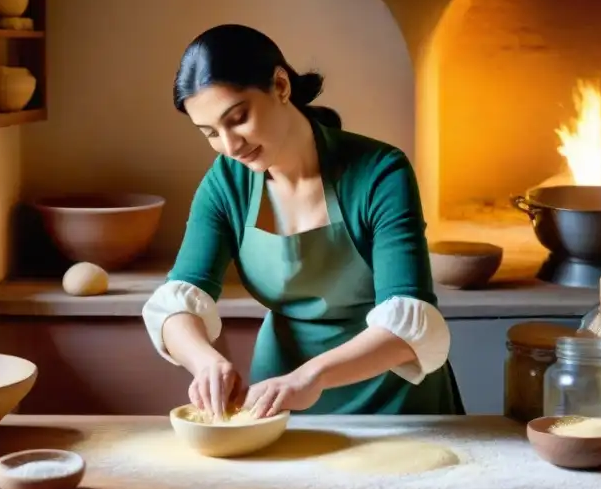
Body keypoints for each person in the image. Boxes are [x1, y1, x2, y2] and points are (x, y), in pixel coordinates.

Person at [141, 24, 463, 420]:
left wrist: (312, 376)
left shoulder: (380, 172)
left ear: (280, 86)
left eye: (238, 118)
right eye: (210, 132)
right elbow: (178, 299)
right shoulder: (226, 183)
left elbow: (412, 319)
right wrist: (205, 361)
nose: (230, 146)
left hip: (395, 403)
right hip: (278, 401)